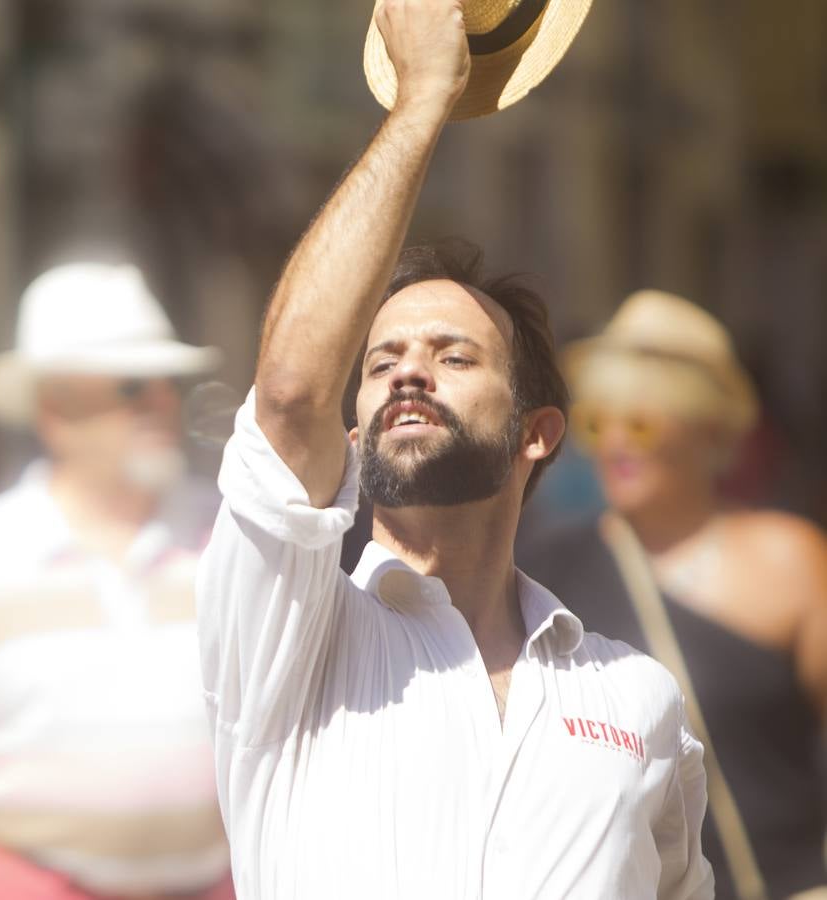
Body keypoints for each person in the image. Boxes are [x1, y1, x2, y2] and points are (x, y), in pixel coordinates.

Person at [194, 1, 714, 898]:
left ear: (537, 432)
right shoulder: (291, 635)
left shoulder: (637, 697)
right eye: (383, 360)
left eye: (453, 356)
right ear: (353, 436)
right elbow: (288, 396)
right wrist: (422, 99)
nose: (407, 375)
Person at [0, 262, 235, 899]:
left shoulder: (234, 537)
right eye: (131, 385)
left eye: (166, 382)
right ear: (54, 410)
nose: (161, 402)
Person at [520, 290, 827, 900]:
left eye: (639, 421)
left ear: (708, 430)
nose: (615, 444)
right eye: (598, 421)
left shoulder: (787, 558)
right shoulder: (546, 569)